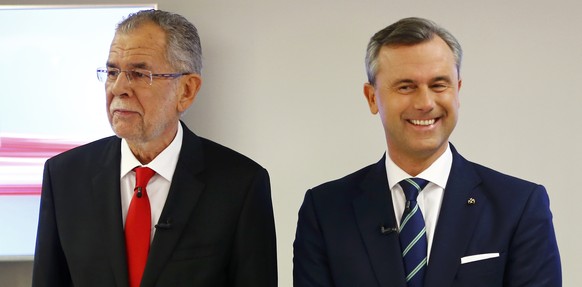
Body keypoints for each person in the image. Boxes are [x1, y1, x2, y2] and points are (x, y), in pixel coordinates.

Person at [293, 17, 561, 287]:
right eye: (406, 86)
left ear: (457, 91)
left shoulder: (518, 206)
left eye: (438, 85)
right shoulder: (325, 211)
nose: (425, 103)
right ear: (372, 98)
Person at [32, 9, 277, 287]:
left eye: (138, 74)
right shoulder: (64, 175)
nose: (119, 87)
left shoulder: (240, 184)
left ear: (186, 90)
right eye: (112, 72)